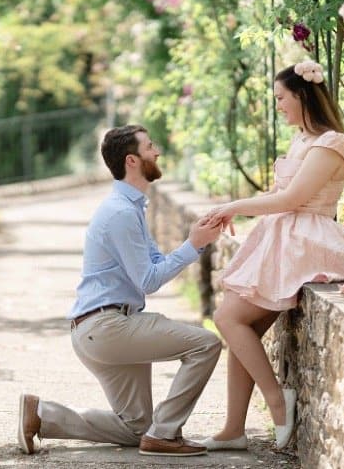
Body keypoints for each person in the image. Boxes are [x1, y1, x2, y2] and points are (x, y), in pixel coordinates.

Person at [17, 124, 223, 457]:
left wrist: (193, 239)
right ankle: (166, 434)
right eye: (150, 146)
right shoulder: (121, 213)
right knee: (206, 344)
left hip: (98, 329)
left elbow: (154, 261)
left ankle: (42, 415)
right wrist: (192, 246)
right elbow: (148, 281)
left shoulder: (131, 207)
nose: (157, 152)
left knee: (136, 429)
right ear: (132, 160)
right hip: (107, 328)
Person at [201, 60, 344, 451]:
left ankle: (277, 401)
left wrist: (234, 205)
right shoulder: (303, 140)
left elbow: (292, 199)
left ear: (303, 95)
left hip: (306, 240)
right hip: (283, 237)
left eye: (281, 98)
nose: (278, 106)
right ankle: (234, 427)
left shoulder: (330, 142)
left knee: (227, 318)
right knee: (243, 329)